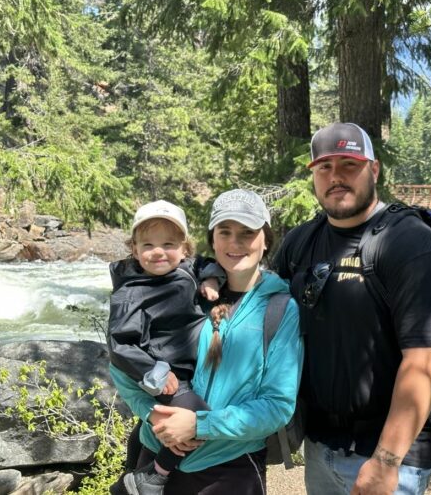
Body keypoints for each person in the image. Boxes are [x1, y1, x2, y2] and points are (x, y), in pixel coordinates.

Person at [273, 122, 431, 495]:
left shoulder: (410, 243)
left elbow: (426, 359)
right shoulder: (300, 242)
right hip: (322, 441)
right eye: (325, 167)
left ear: (374, 169)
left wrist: (386, 461)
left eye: (349, 165)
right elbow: (260, 307)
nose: (335, 176)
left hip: (390, 454)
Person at [109, 190, 303, 495]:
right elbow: (121, 365)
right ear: (212, 241)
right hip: (153, 456)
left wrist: (199, 425)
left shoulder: (279, 309)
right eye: (224, 232)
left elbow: (277, 407)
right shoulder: (179, 289)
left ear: (266, 240)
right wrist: (151, 413)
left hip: (229, 469)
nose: (235, 242)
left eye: (248, 233)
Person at [107, 199, 225, 494]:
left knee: (155, 430)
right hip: (169, 375)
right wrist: (155, 371)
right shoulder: (131, 293)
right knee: (199, 420)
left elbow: (208, 263)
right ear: (134, 249)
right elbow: (121, 344)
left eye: (168, 244)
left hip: (191, 369)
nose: (158, 251)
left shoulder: (188, 267)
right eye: (147, 245)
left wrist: (212, 278)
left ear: (185, 248)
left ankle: (134, 470)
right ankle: (153, 476)